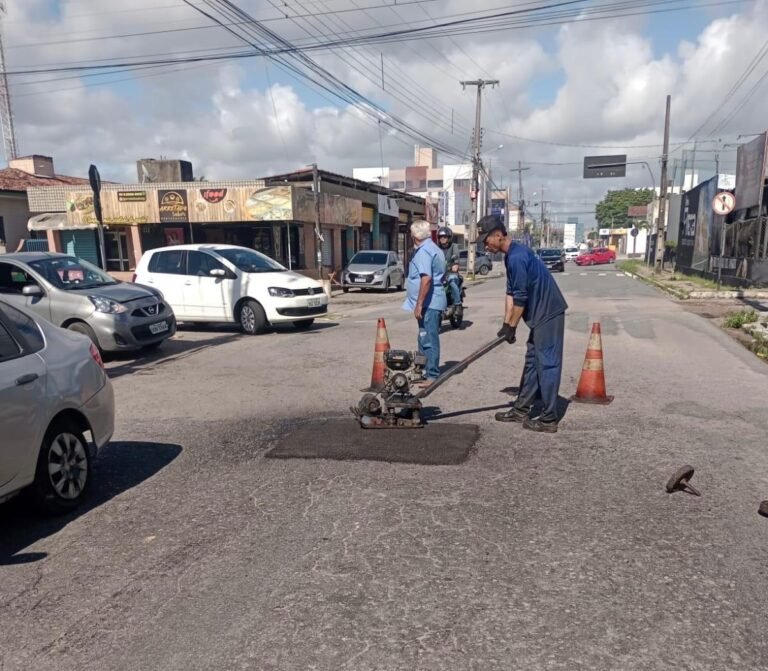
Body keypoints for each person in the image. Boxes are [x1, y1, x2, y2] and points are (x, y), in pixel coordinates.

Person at [477, 214, 568, 433]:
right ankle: (521, 409)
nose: (484, 244)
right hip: (538, 317)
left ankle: (548, 419)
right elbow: (510, 293)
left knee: (546, 364)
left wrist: (513, 326)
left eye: (486, 239)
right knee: (532, 363)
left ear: (498, 235)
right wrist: (506, 324)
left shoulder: (517, 257)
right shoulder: (511, 255)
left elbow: (520, 298)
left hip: (548, 313)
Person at [402, 220, 447, 387]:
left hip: (429, 303)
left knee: (429, 337)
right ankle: (422, 370)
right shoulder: (433, 248)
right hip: (431, 301)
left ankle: (432, 374)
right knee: (423, 337)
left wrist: (419, 304)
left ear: (414, 237)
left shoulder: (424, 251)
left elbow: (426, 279)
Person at [437, 226, 462, 310]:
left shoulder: (454, 246)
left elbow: (456, 256)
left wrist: (455, 264)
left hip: (451, 272)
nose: (442, 239)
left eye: (444, 237)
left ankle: (458, 304)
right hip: (440, 274)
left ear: (449, 237)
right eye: (440, 237)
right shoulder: (437, 248)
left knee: (452, 282)